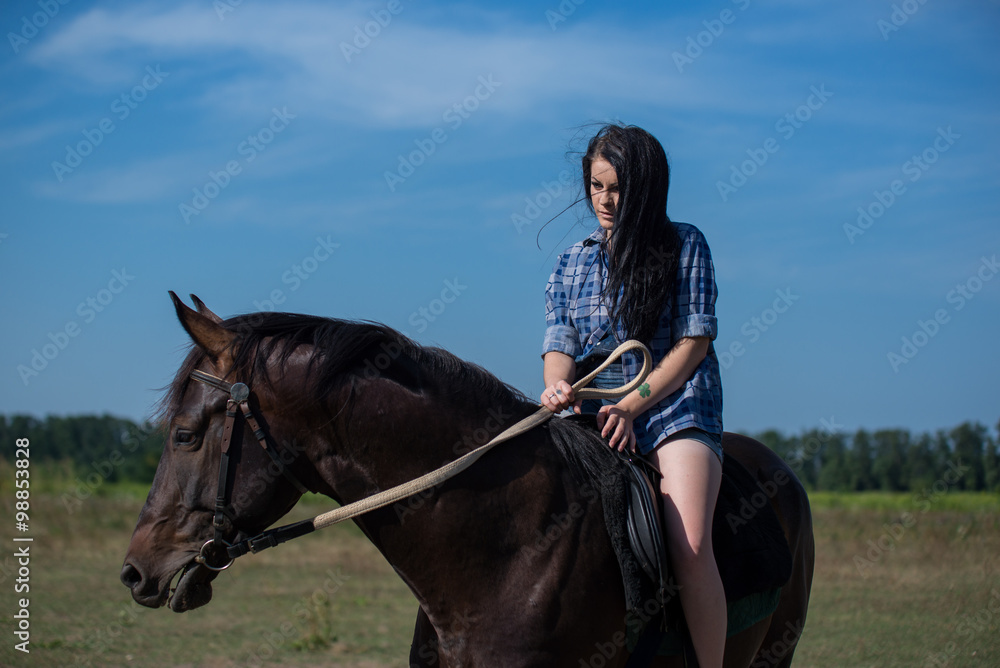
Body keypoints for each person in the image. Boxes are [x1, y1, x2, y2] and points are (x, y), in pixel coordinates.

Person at [540, 124, 726, 667]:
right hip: (594, 409)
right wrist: (557, 385)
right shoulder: (571, 260)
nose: (604, 199)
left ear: (647, 188)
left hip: (675, 410)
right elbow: (560, 342)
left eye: (616, 187)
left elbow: (693, 344)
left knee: (690, 546)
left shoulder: (685, 243)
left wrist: (631, 404)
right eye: (596, 186)